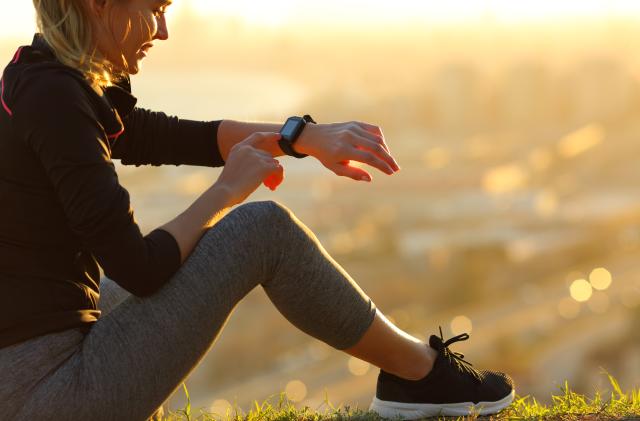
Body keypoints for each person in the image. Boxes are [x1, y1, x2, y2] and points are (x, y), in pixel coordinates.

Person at [0, 1, 515, 420]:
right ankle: (420, 375)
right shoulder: (56, 99)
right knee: (260, 231)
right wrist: (226, 190)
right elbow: (139, 268)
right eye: (154, 9)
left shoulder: (38, 77)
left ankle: (416, 376)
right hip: (46, 394)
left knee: (209, 244)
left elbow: (167, 134)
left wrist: (302, 138)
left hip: (32, 369)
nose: (162, 31)